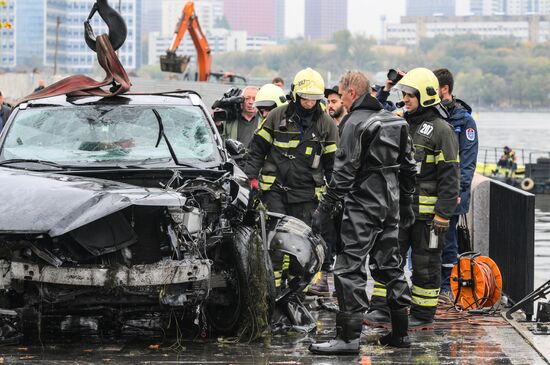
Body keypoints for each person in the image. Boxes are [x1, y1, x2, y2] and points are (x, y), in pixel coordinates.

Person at [308, 71, 416, 355]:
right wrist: (405, 203)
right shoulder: (396, 120)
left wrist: (323, 209)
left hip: (362, 205)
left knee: (349, 267)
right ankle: (401, 335)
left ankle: (348, 338)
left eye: (342, 94)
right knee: (391, 266)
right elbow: (409, 167)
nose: (340, 99)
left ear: (352, 94)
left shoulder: (354, 123)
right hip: (390, 204)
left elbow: (343, 175)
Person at [365, 68, 460, 330]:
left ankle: (422, 312)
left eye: (410, 95)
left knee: (425, 265)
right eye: (404, 94)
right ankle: (382, 308)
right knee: (388, 258)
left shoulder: (442, 131)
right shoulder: (402, 124)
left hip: (429, 217)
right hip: (398, 210)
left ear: (425, 96)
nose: (405, 99)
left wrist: (443, 213)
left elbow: (450, 175)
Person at [433, 68, 479, 294]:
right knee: (430, 241)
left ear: (445, 89)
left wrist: (457, 190)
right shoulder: (432, 115)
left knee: (449, 241)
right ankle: (432, 285)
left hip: (453, 192)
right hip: (433, 190)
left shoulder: (465, 120)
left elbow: (468, 161)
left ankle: (447, 287)